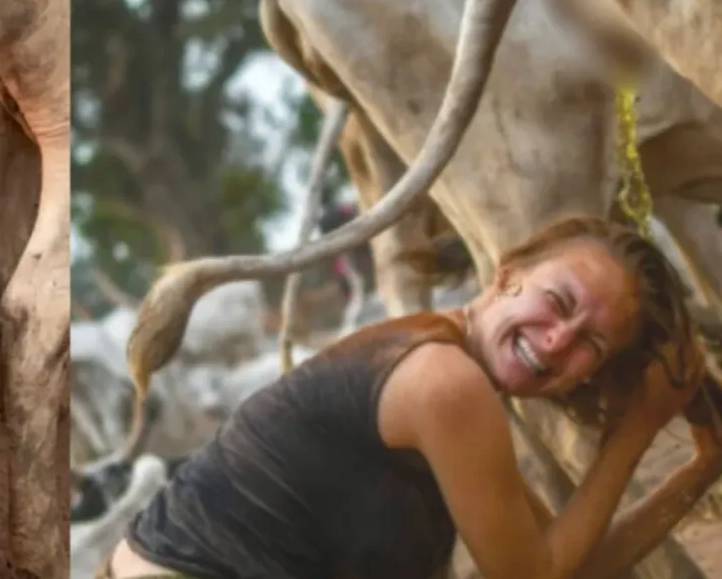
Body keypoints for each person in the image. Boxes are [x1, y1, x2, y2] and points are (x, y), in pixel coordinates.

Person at [103, 215, 710, 579]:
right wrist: (634, 431)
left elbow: (571, 562)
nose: (557, 340)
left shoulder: (449, 377)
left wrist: (702, 466)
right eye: (557, 302)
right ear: (505, 276)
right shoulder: (444, 381)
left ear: (590, 374)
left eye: (591, 344)